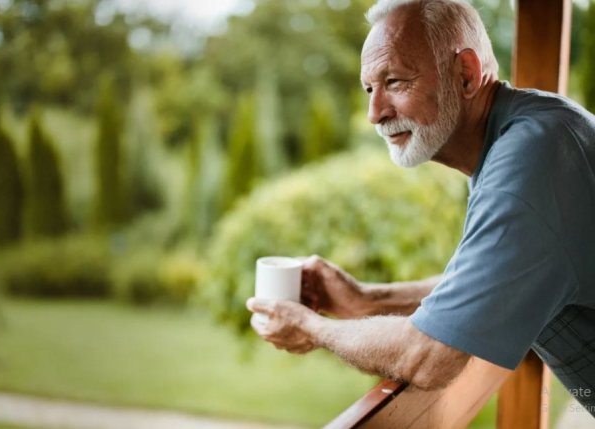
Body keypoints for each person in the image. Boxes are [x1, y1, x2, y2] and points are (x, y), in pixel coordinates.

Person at [246, 0, 595, 416]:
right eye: (369, 89)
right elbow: (486, 289)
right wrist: (366, 299)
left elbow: (427, 356)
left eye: (394, 81)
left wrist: (311, 328)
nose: (375, 113)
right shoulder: (534, 131)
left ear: (466, 74)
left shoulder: (531, 161)